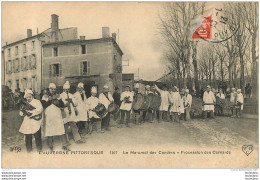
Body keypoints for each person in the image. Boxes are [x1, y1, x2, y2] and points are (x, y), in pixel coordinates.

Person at [41, 83, 70, 151]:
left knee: (61, 129)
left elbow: (62, 105)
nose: (53, 90)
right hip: (49, 115)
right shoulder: (45, 96)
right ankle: (50, 146)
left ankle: (64, 145)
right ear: (49, 89)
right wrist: (50, 100)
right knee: (50, 131)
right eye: (52, 89)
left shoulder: (57, 95)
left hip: (57, 115)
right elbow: (43, 105)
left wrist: (58, 101)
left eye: (54, 89)